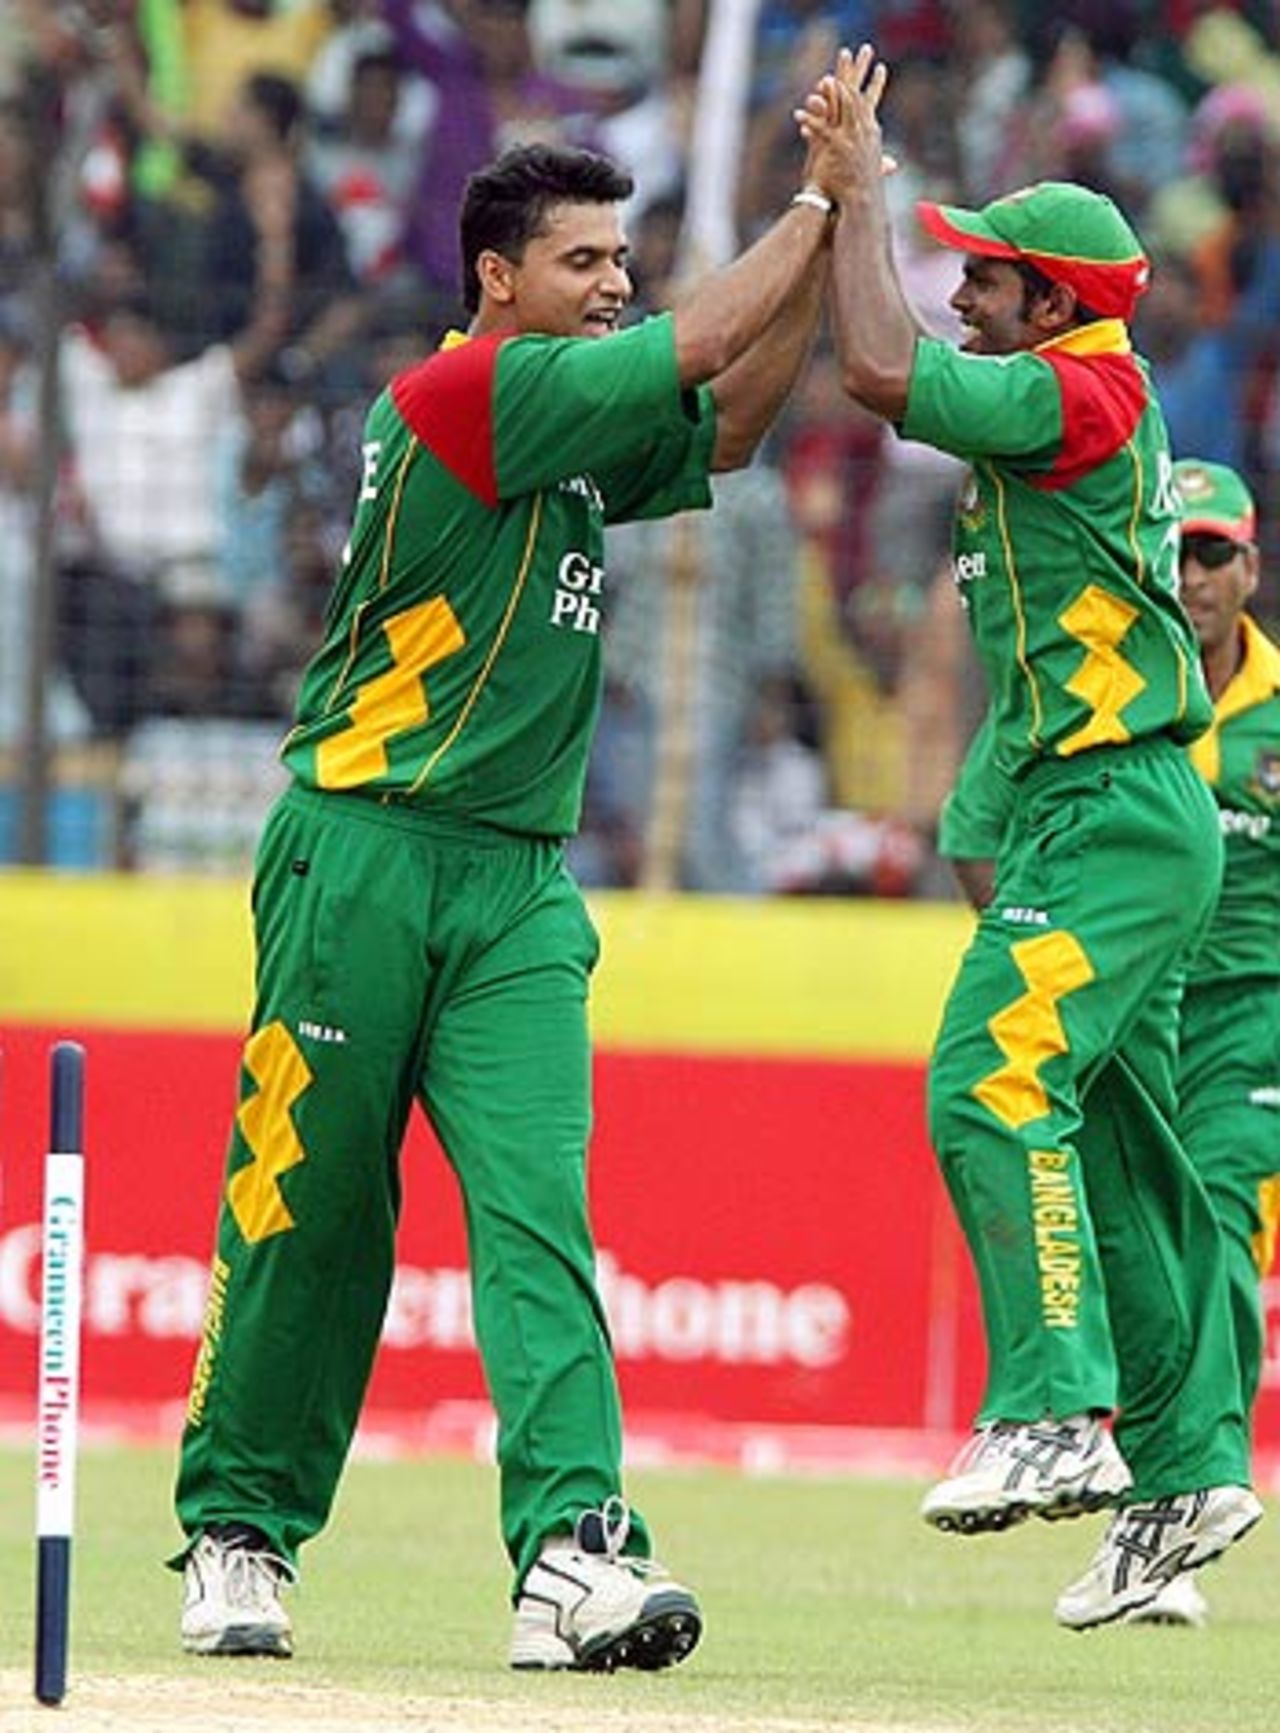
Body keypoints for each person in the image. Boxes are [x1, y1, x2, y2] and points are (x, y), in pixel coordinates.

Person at [171, 98, 860, 1671]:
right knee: (310, 1209)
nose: (615, 281)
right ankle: (237, 1534)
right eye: (583, 260)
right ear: (497, 278)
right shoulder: (464, 394)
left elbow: (736, 419)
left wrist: (835, 226)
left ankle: (569, 1552)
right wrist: (815, 211)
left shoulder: (562, 423)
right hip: (361, 849)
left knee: (539, 1213)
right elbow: (697, 348)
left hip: (519, 885)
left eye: (624, 256)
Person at [797, 47, 1262, 1630]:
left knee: (988, 1080)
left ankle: (1053, 1407)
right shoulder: (1052, 415)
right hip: (1102, 819)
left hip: (1124, 818)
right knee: (1123, 1155)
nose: (963, 297)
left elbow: (873, 369)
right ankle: (1189, 1466)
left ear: (1055, 304)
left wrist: (853, 195)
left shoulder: (1088, 387)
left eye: (988, 280)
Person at [1126, 460, 1280, 1629]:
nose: (1192, 579)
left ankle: (1196, 1487)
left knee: (1220, 1233)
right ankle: (1159, 1506)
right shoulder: (1115, 681)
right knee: (1149, 1256)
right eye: (1176, 553)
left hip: (1250, 1023)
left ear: (1249, 566)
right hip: (1138, 1008)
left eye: (1212, 554)